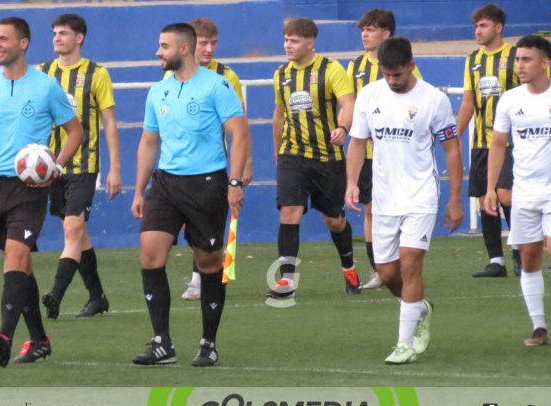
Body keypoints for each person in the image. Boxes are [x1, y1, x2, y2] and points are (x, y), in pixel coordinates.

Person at [0, 17, 82, 367]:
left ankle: (5, 336)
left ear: (23, 43)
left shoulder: (46, 87)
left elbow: (74, 132)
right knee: (20, 266)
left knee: (15, 257)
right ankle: (39, 339)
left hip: (29, 188)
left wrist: (55, 167)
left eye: (3, 39)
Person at [130, 23, 248, 367]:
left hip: (207, 184)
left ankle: (208, 343)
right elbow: (149, 141)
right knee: (150, 255)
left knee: (210, 262)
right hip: (165, 184)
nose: (158, 52)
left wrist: (235, 183)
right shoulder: (158, 91)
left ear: (184, 49)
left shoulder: (217, 86)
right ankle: (162, 343)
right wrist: (139, 189)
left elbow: (239, 135)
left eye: (163, 46)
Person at [346, 37, 463, 364]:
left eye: (398, 74)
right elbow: (357, 143)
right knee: (387, 274)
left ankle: (404, 343)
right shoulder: (369, 96)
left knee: (411, 262)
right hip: (384, 197)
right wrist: (351, 183)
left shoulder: (434, 100)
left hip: (420, 194)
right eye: (387, 74)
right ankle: (420, 308)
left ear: (411, 65)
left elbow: (451, 149)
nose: (393, 81)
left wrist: (455, 198)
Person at [485, 35, 551, 346]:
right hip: (524, 190)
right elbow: (498, 144)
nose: (519, 65)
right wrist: (491, 188)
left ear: (545, 62)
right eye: (518, 59)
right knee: (529, 257)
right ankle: (539, 326)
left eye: (526, 59)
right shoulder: (510, 99)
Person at [37, 13, 122, 319]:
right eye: (54, 33)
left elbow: (110, 122)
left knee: (72, 228)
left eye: (63, 33)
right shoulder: (43, 72)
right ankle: (97, 296)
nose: (56, 38)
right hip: (51, 167)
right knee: (78, 234)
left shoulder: (97, 74)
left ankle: (55, 296)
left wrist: (114, 168)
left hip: (85, 165)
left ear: (79, 37)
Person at [268, 18, 358, 305]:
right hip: (292, 156)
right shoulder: (280, 74)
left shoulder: (331, 69)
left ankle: (349, 268)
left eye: (294, 41)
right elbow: (279, 115)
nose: (287, 46)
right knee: (289, 213)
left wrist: (343, 128)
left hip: (327, 158)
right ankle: (286, 281)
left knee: (334, 220)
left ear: (310, 42)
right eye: (285, 40)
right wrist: (278, 155)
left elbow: (349, 104)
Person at [346, 8, 423, 290]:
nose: (365, 34)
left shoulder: (407, 67)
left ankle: (405, 263)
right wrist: (344, 128)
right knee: (370, 211)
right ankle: (379, 269)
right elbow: (350, 106)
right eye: (362, 30)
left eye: (371, 29)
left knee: (402, 210)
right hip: (367, 152)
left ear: (386, 33)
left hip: (400, 154)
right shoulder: (354, 67)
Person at [179, 17, 253, 301]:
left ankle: (200, 278)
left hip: (215, 165)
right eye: (204, 43)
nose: (209, 49)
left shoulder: (227, 76)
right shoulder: (174, 74)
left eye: (213, 43)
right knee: (187, 222)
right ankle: (202, 275)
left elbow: (241, 124)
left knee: (206, 222)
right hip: (182, 165)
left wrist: (246, 163)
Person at [456, 3, 521, 278]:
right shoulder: (472, 59)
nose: (478, 31)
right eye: (476, 26)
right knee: (486, 201)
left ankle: (520, 251)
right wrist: (453, 135)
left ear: (498, 27)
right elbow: (468, 102)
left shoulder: (517, 55)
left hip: (512, 141)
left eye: (483, 26)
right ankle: (496, 260)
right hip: (482, 142)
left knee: (505, 194)